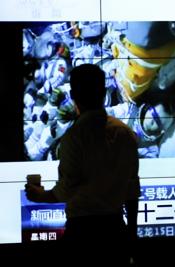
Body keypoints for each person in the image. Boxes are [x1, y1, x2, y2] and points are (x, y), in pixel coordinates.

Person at [25, 64, 140, 265]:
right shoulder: (125, 134)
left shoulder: (74, 137)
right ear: (103, 92)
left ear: (74, 94)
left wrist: (40, 195)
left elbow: (66, 190)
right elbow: (132, 191)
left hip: (82, 234)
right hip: (115, 232)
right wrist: (131, 238)